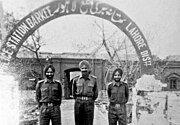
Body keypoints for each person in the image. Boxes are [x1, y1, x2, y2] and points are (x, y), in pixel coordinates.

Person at [72, 60, 98, 125]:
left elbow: (95, 93)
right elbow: (73, 93)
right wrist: (78, 99)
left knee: (89, 122)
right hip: (79, 103)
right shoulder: (76, 79)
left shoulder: (93, 80)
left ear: (88, 69)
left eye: (86, 68)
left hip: (89, 103)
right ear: (80, 69)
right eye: (82, 68)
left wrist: (90, 100)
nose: (84, 70)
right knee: (78, 122)